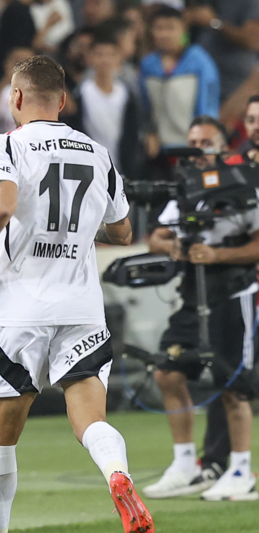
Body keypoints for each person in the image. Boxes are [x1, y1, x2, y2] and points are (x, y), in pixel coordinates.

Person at [0, 55, 152, 533]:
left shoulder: (4, 144)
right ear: (63, 101)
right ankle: (117, 473)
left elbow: (2, 205)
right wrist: (78, 228)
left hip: (21, 309)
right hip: (82, 308)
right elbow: (121, 231)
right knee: (90, 419)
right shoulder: (97, 152)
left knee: (0, 432)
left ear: (16, 97)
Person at [144, 115, 259, 502]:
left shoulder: (243, 184)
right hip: (194, 295)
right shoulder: (185, 188)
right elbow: (157, 237)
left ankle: (240, 469)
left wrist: (217, 254)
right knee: (168, 371)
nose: (197, 150)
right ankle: (185, 464)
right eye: (192, 142)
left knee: (232, 382)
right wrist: (173, 246)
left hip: (233, 292)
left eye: (206, 143)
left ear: (224, 148)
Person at [139, 6, 220, 152]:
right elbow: (144, 107)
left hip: (190, 146)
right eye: (159, 28)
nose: (164, 34)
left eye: (171, 28)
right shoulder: (148, 64)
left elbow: (208, 105)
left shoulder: (199, 61)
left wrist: (203, 142)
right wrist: (149, 132)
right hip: (158, 148)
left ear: (183, 29)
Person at [66, 33, 143, 179]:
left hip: (122, 169)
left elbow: (132, 135)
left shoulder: (126, 95)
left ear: (119, 58)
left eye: (111, 54)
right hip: (90, 171)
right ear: (89, 58)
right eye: (99, 54)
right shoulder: (81, 94)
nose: (105, 60)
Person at [187, 0, 259, 102]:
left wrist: (214, 22)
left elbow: (252, 41)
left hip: (230, 83)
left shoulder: (250, 3)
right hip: (197, 76)